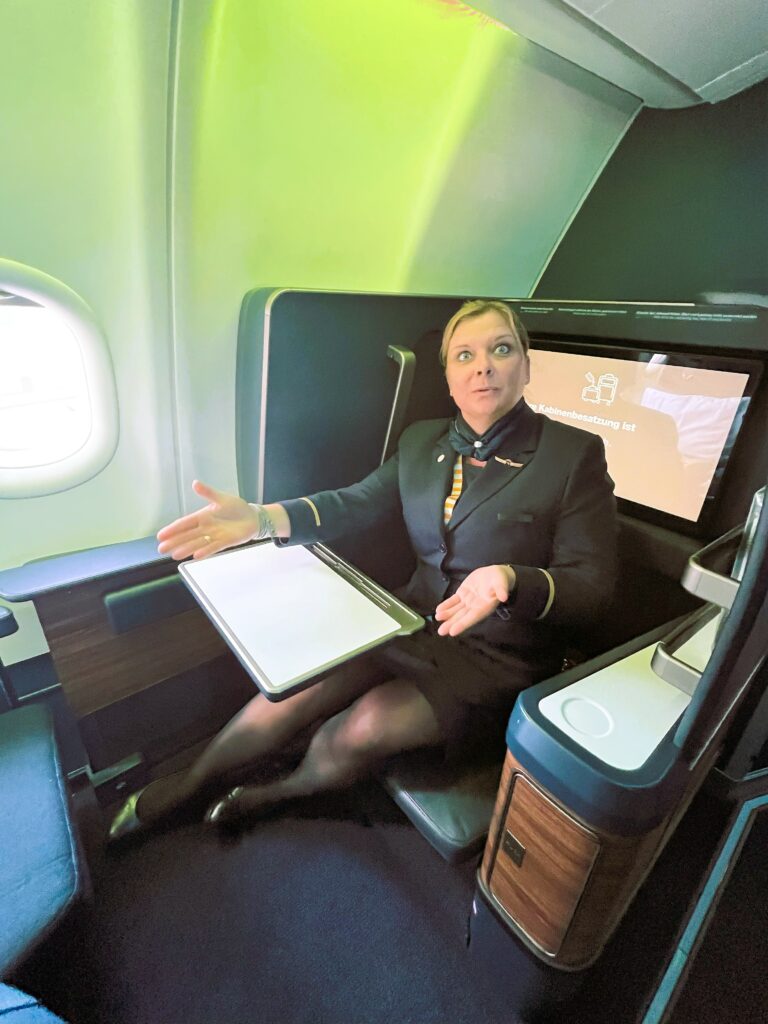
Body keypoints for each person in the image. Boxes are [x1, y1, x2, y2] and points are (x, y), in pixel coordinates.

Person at [109, 299, 617, 840]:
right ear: (447, 376)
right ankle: (190, 785)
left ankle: (277, 794)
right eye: (464, 354)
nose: (482, 366)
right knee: (297, 687)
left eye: (501, 349)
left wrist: (513, 580)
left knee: (360, 727)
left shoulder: (572, 455)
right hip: (410, 618)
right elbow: (355, 503)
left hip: (496, 656)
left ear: (526, 364)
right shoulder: (423, 442)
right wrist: (261, 519)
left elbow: (592, 587)